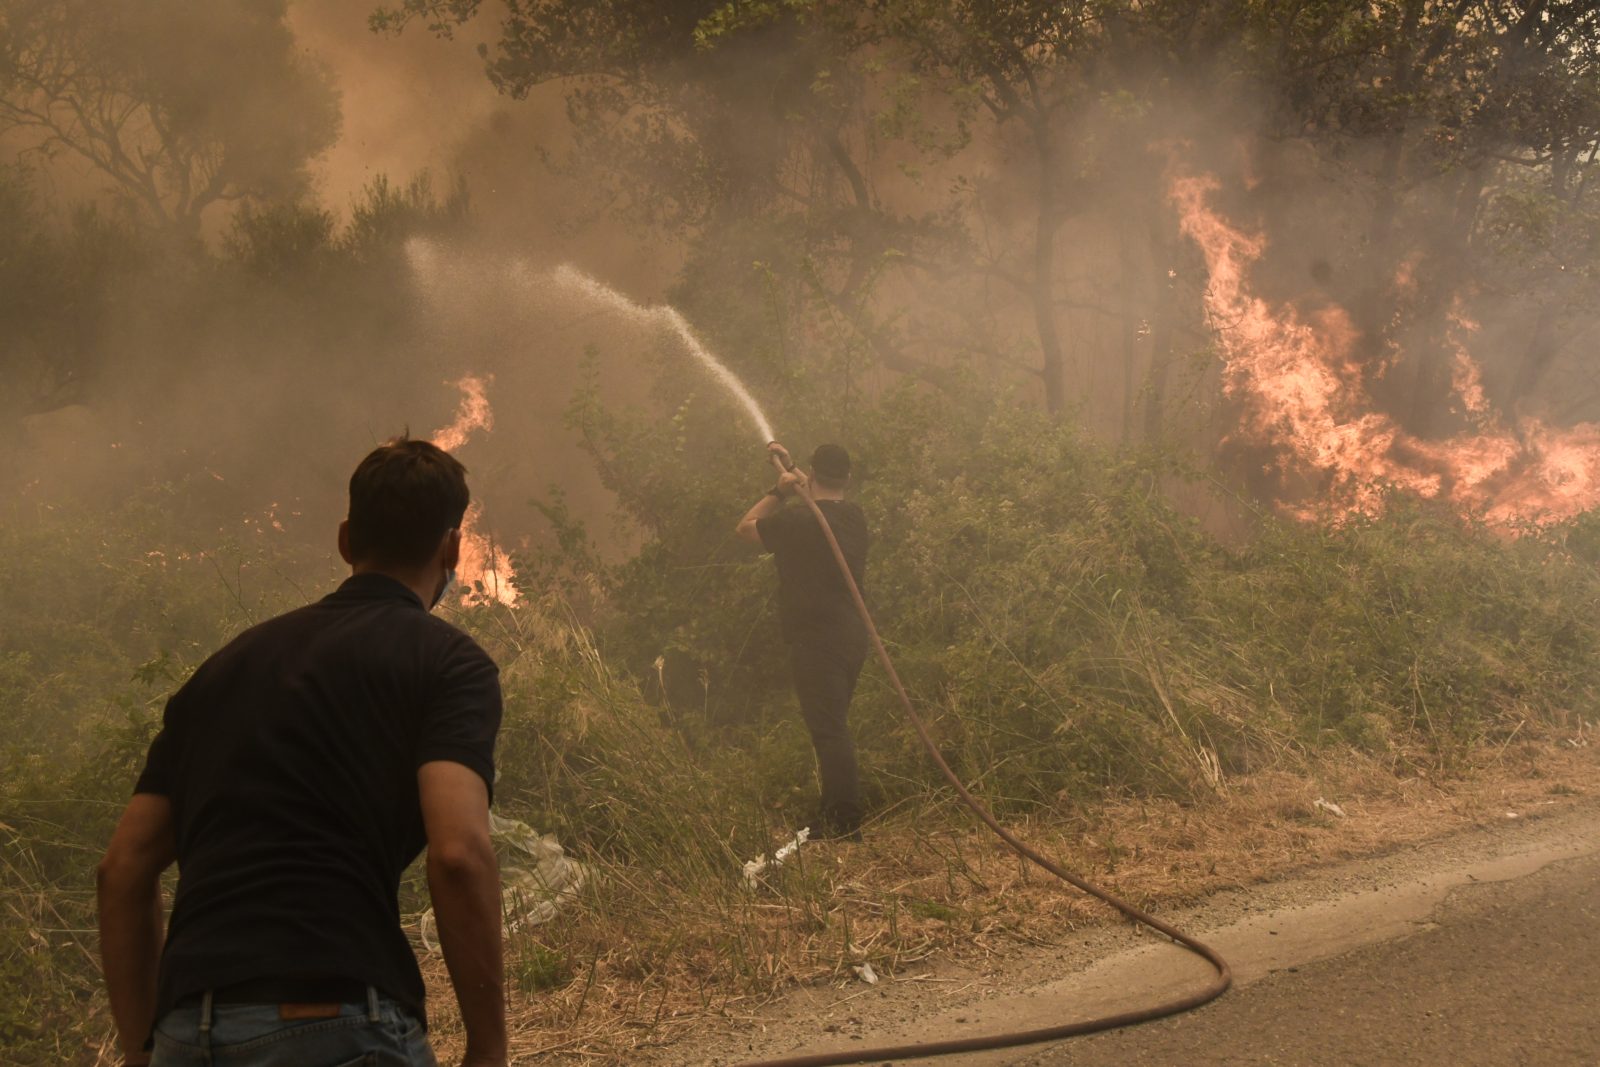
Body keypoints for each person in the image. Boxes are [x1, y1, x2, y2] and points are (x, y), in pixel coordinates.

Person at [96, 437, 507, 1067]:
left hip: (187, 1028)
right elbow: (457, 854)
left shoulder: (223, 670)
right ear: (453, 548)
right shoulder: (449, 663)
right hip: (336, 1019)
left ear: (345, 541)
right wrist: (489, 1048)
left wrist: (141, 1051)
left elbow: (122, 871)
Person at [736, 442, 870, 840]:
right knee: (833, 726)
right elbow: (820, 507)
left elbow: (745, 528)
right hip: (851, 635)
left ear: (813, 475)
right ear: (847, 478)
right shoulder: (854, 517)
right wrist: (795, 472)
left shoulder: (795, 522)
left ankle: (845, 825)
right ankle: (831, 812)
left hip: (816, 638)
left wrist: (778, 491)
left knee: (829, 731)